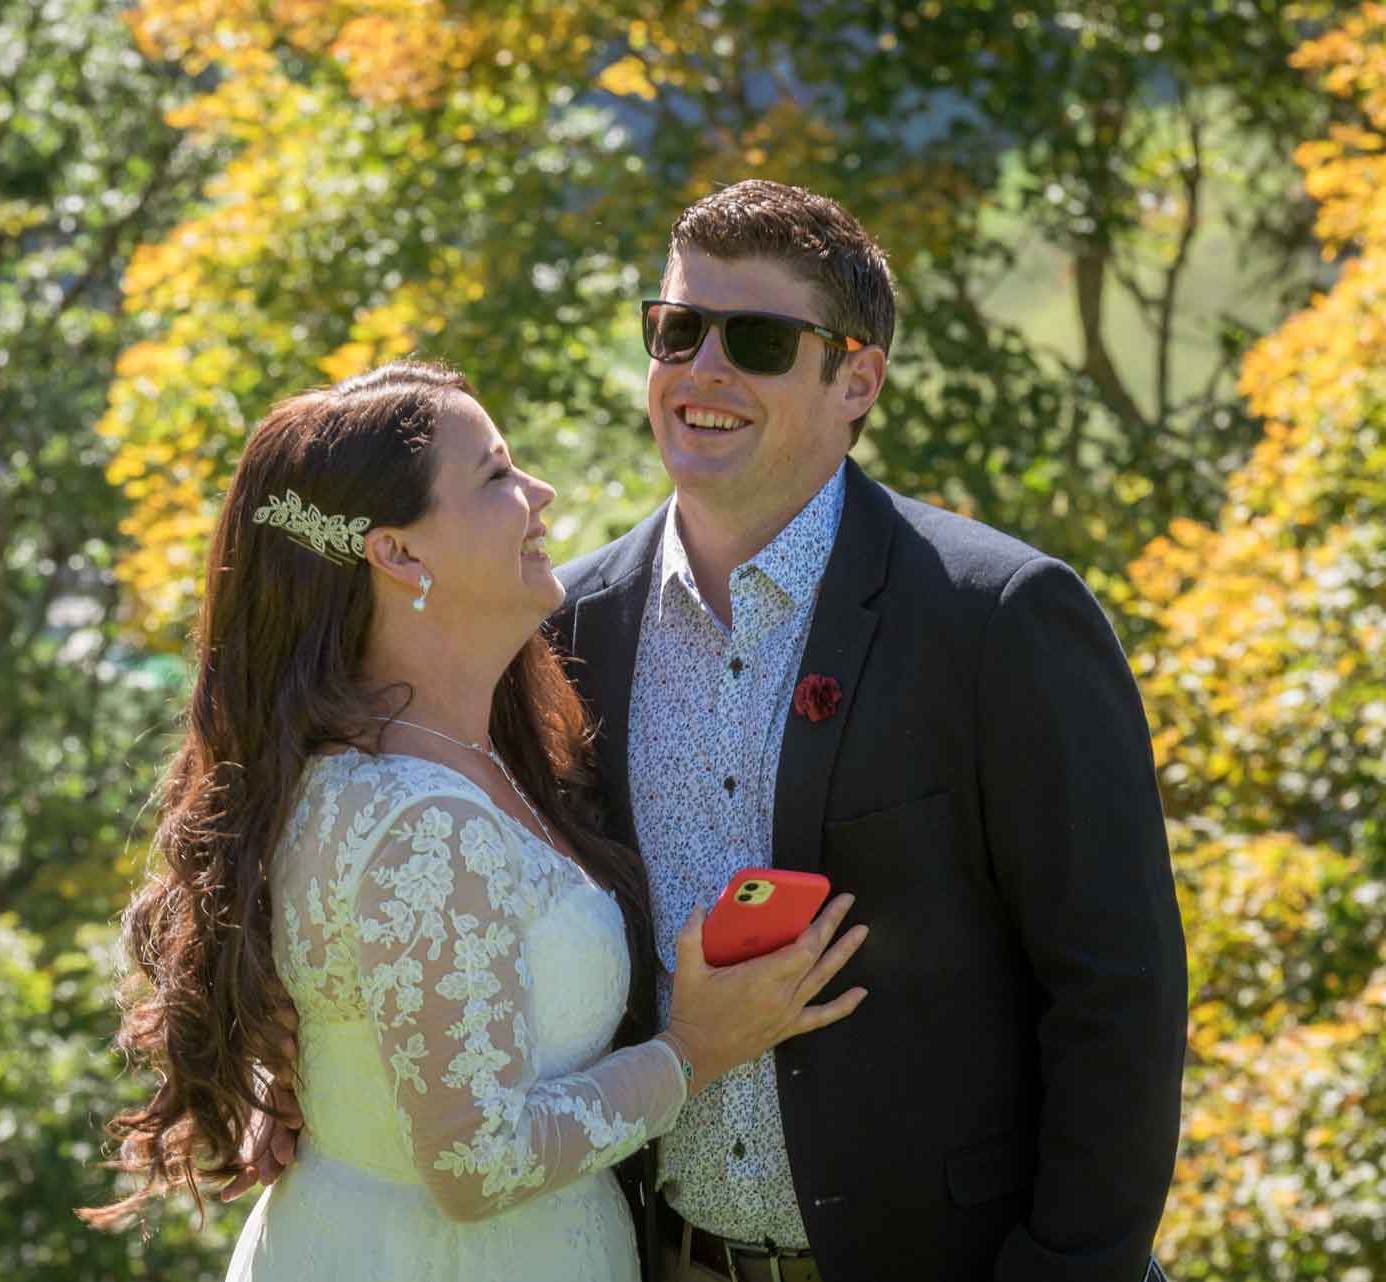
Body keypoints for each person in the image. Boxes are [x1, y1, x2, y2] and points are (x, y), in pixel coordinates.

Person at [78, 360, 871, 1282]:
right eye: (497, 475)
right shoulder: (421, 817)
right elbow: (475, 1163)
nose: (541, 492)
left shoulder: (446, 748)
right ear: (400, 555)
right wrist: (694, 1051)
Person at [545, 180, 1188, 1281]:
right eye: (679, 329)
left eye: (756, 339)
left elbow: (1118, 991)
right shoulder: (565, 627)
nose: (702, 370)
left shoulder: (999, 616)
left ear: (857, 379)